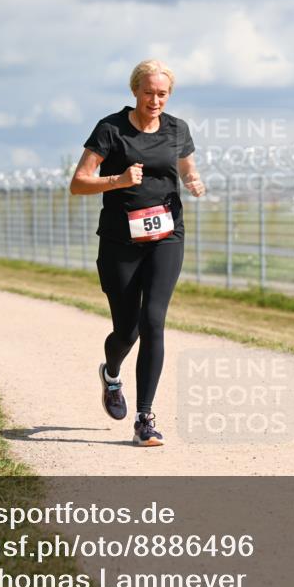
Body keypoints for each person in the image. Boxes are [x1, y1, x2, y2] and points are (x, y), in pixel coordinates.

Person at [70, 59, 206, 447]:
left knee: (153, 322)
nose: (155, 100)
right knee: (126, 330)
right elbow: (78, 183)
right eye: (148, 92)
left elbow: (185, 168)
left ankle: (145, 419)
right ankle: (112, 374)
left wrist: (193, 180)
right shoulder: (110, 129)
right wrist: (119, 179)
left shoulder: (178, 129)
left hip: (167, 235)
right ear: (135, 91)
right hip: (120, 242)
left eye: (162, 94)